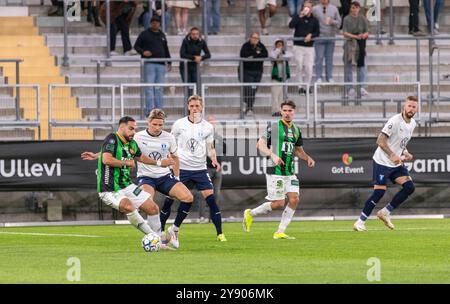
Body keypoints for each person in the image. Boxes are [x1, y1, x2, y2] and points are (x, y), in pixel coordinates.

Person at [80, 116, 167, 244]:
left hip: (127, 185)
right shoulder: (112, 138)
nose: (134, 132)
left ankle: (158, 239)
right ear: (121, 127)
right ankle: (155, 238)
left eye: (135, 129)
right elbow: (107, 159)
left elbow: (141, 157)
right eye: (131, 128)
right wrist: (127, 164)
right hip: (109, 189)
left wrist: (159, 163)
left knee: (153, 208)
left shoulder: (131, 143)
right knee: (128, 206)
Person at [243, 100, 316, 239]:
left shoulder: (296, 130)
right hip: (274, 170)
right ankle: (250, 213)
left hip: (290, 171)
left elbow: (299, 151)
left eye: (290, 111)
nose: (287, 113)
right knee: (278, 204)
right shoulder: (275, 127)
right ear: (281, 111)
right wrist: (272, 154)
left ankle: (280, 231)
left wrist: (308, 158)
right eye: (285, 110)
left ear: (294, 112)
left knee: (294, 199)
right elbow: (260, 144)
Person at [159, 95, 227, 243]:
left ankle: (220, 233)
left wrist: (214, 159)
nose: (194, 108)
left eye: (197, 106)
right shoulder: (179, 124)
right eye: (192, 106)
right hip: (181, 169)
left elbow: (210, 147)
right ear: (188, 107)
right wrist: (170, 159)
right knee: (169, 199)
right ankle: (160, 230)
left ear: (201, 107)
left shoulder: (208, 127)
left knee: (212, 200)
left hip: (200, 170)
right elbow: (170, 142)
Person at [353, 96, 418, 231]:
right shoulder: (394, 121)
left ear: (416, 109)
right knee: (379, 192)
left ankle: (385, 212)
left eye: (414, 107)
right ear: (404, 106)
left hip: (395, 164)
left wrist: (405, 152)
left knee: (409, 187)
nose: (411, 109)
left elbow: (400, 142)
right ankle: (360, 222)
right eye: (409, 106)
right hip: (382, 162)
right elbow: (380, 141)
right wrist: (393, 154)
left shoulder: (413, 124)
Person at [134, 109, 195, 249]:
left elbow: (175, 157)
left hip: (165, 176)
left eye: (160, 125)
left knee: (188, 197)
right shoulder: (138, 137)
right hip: (146, 177)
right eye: (154, 124)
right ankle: (156, 237)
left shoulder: (169, 137)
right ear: (149, 122)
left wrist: (177, 177)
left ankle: (174, 230)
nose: (157, 128)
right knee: (148, 204)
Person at [134, 15, 172, 116]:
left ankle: (159, 111)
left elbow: (165, 48)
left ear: (159, 24)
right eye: (153, 22)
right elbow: (136, 46)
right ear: (151, 23)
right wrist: (143, 52)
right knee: (149, 88)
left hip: (161, 64)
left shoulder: (162, 34)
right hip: (149, 63)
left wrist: (169, 61)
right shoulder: (144, 34)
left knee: (159, 88)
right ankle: (150, 111)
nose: (155, 23)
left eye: (157, 22)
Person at [193, 115, 225, 221]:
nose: (212, 124)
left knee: (216, 193)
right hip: (205, 168)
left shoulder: (219, 137)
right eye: (210, 122)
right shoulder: (201, 137)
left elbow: (224, 151)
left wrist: (219, 162)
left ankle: (214, 216)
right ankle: (202, 216)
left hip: (217, 169)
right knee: (204, 193)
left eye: (213, 122)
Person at [289, 1, 320, 94]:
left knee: (309, 67)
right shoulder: (298, 17)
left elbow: (317, 32)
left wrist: (311, 35)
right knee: (299, 65)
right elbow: (291, 25)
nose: (306, 8)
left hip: (309, 47)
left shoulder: (314, 20)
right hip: (298, 45)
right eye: (305, 7)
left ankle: (307, 86)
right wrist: (299, 16)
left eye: (308, 7)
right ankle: (300, 86)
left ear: (311, 9)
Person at [342, 1, 369, 98]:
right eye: (353, 7)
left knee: (361, 66)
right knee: (348, 66)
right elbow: (344, 32)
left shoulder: (362, 18)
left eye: (356, 8)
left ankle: (362, 87)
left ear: (359, 8)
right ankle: (349, 88)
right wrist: (355, 36)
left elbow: (367, 32)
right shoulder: (346, 19)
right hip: (350, 45)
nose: (354, 10)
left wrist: (362, 36)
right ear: (350, 8)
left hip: (360, 45)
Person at [239, 32, 268, 117]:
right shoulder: (245, 46)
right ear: (250, 38)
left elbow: (265, 54)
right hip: (247, 71)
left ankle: (247, 105)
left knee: (254, 89)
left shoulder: (261, 46)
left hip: (258, 71)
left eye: (257, 38)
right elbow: (244, 55)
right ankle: (249, 107)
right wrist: (257, 54)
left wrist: (253, 56)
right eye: (253, 38)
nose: (255, 40)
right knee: (249, 89)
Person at [312, 0, 340, 83]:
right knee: (319, 58)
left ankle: (329, 77)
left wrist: (332, 21)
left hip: (331, 37)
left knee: (329, 58)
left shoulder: (334, 8)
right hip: (319, 37)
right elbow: (311, 20)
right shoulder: (315, 9)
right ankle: (318, 77)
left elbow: (339, 22)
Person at [179, 27, 211, 96]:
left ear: (199, 34)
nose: (195, 36)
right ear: (190, 34)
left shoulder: (201, 41)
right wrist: (194, 58)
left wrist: (201, 57)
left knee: (197, 87)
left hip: (195, 67)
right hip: (185, 67)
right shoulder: (185, 41)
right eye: (193, 34)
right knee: (188, 88)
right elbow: (182, 54)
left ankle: (198, 105)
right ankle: (188, 105)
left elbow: (208, 54)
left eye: (197, 34)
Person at [270, 39, 291, 117]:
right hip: (276, 77)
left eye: (281, 45)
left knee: (282, 95)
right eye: (278, 44)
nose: (279, 46)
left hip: (284, 77)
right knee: (275, 94)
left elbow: (290, 55)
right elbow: (273, 56)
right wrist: (278, 50)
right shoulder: (273, 52)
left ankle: (281, 110)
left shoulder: (286, 53)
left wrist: (282, 53)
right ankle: (275, 110)